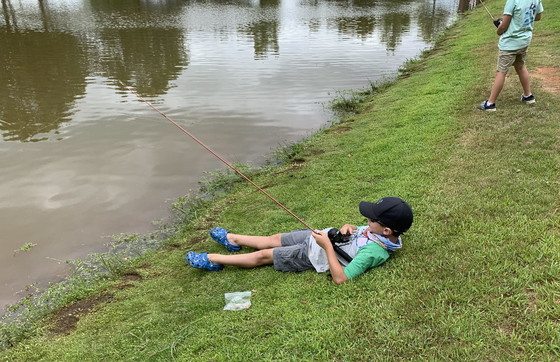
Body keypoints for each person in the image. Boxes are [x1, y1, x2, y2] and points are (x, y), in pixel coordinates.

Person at [185, 197, 413, 284]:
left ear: (386, 230)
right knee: (273, 239)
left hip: (316, 253)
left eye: (371, 218)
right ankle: (232, 239)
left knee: (264, 256)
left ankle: (213, 259)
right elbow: (357, 228)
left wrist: (327, 247)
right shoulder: (378, 231)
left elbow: (341, 279)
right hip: (319, 236)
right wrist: (348, 227)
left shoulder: (375, 253)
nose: (366, 219)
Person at [477, 0, 544, 111]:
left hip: (509, 44)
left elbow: (503, 27)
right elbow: (537, 17)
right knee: (520, 66)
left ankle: (490, 104)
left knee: (501, 71)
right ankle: (528, 96)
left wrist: (499, 30)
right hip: (524, 41)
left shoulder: (512, 1)